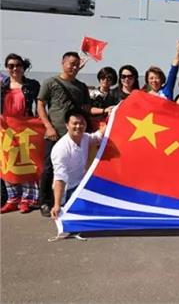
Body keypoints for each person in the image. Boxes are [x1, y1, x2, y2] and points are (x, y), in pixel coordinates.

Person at [37, 52, 90, 217]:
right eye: (71, 63)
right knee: (49, 169)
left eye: (77, 64)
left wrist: (106, 110)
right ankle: (45, 202)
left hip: (75, 136)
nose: (74, 67)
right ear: (63, 63)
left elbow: (86, 109)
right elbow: (40, 105)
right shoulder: (50, 82)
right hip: (54, 134)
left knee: (76, 168)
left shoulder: (81, 87)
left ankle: (67, 200)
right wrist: (48, 126)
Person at [0, 54, 41, 214]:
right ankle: (13, 198)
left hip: (26, 128)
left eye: (18, 65)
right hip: (6, 129)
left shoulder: (32, 85)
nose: (15, 68)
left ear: (23, 67)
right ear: (7, 68)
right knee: (8, 163)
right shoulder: (2, 86)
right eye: (11, 66)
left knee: (28, 163)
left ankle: (28, 199)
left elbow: (40, 105)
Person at [50, 110, 105, 219]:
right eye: (75, 123)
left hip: (82, 185)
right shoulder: (61, 148)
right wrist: (56, 205)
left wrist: (115, 114)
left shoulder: (85, 137)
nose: (78, 126)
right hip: (68, 190)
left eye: (82, 123)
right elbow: (60, 178)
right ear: (67, 125)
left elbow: (98, 136)